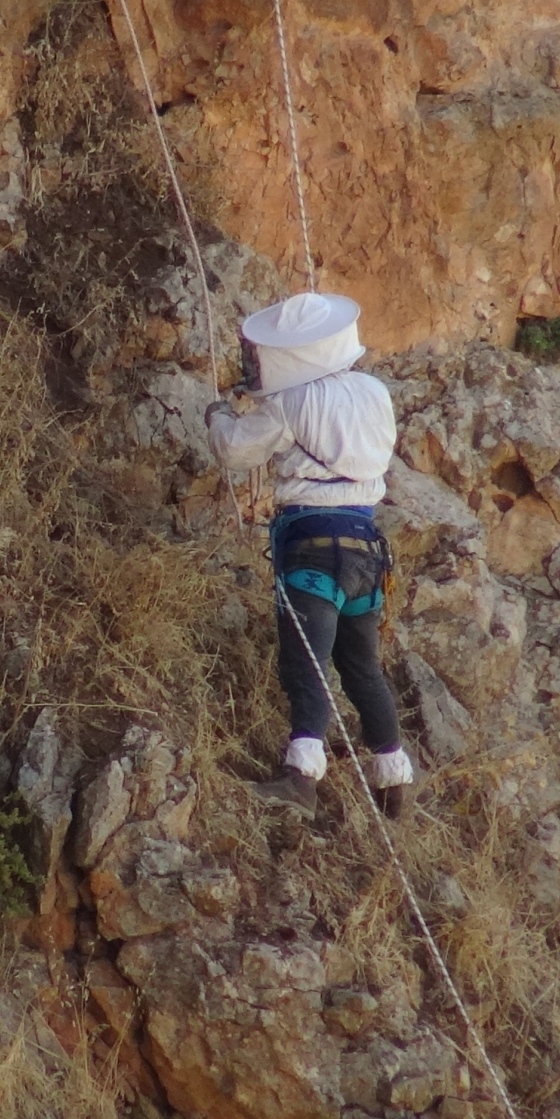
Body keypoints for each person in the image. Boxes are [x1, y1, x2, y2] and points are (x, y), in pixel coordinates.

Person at [205, 291, 416, 820]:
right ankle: (395, 783)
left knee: (308, 660)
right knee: (361, 666)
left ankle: (300, 777)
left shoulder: (290, 402)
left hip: (313, 547)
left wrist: (217, 416)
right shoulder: (374, 392)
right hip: (368, 550)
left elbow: (234, 450)